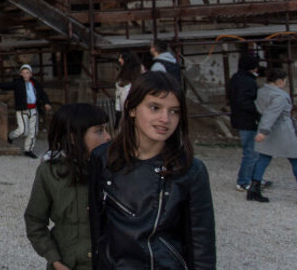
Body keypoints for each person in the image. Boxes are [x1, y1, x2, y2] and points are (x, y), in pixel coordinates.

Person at [89, 72, 216, 269]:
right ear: (132, 109)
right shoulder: (102, 158)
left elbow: (201, 243)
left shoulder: (190, 170)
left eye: (174, 111)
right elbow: (97, 226)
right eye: (155, 107)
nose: (165, 118)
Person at [24, 103, 112, 270]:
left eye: (106, 130)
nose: (108, 137)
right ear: (74, 137)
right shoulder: (49, 172)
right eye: (99, 131)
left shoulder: (114, 171)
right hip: (67, 264)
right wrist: (55, 260)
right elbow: (35, 221)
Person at [249, 68, 297, 205]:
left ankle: (254, 189)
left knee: (264, 158)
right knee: (296, 160)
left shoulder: (262, 92)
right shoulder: (280, 96)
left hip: (267, 128)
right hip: (282, 130)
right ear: (279, 81)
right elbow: (272, 113)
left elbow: (264, 111)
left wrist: (263, 130)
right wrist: (264, 131)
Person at [228, 49, 271, 193]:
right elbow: (243, 101)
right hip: (247, 120)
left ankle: (255, 178)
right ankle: (244, 181)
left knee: (254, 151)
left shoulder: (236, 78)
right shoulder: (247, 81)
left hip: (241, 119)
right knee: (251, 152)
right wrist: (259, 109)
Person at [0, 64, 53, 159]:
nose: (26, 75)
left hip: (33, 109)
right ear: (21, 74)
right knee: (23, 131)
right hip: (23, 109)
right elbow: (7, 85)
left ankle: (28, 149)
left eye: (27, 73)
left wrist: (46, 103)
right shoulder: (18, 83)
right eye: (24, 73)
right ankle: (10, 136)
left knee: (33, 131)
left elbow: (42, 94)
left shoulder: (35, 84)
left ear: (31, 74)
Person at [113, 50, 144, 128]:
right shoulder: (123, 72)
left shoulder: (139, 70)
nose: (119, 60)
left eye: (121, 57)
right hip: (124, 106)